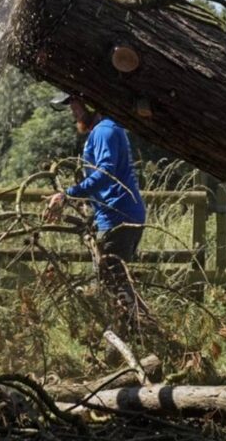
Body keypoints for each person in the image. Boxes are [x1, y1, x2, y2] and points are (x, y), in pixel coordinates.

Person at [46, 94, 151, 336]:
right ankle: (134, 334)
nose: (73, 112)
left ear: (89, 104)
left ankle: (134, 336)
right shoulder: (106, 129)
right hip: (118, 213)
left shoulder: (104, 131)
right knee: (114, 280)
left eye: (74, 104)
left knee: (112, 281)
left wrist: (67, 194)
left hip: (119, 215)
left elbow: (105, 173)